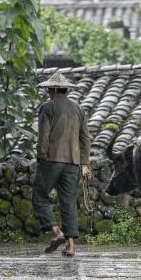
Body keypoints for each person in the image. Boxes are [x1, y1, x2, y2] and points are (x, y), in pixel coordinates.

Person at [32, 72, 92, 257]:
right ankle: (71, 246)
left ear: (53, 89)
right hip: (73, 162)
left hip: (52, 160)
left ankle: (57, 232)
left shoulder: (47, 108)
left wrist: (41, 157)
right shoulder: (78, 109)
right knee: (68, 202)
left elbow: (44, 137)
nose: (48, 92)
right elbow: (85, 138)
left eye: (49, 89)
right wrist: (84, 163)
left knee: (39, 195)